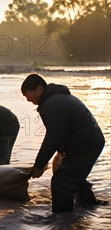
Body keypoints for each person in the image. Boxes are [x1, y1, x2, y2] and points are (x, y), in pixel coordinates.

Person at [21, 73, 106, 212]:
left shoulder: (52, 104)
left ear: (39, 89)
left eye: (26, 94)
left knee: (61, 181)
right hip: (87, 143)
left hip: (86, 145)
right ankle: (88, 207)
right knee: (74, 176)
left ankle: (62, 219)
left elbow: (53, 137)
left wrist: (39, 165)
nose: (27, 99)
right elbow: (60, 133)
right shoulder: (55, 100)